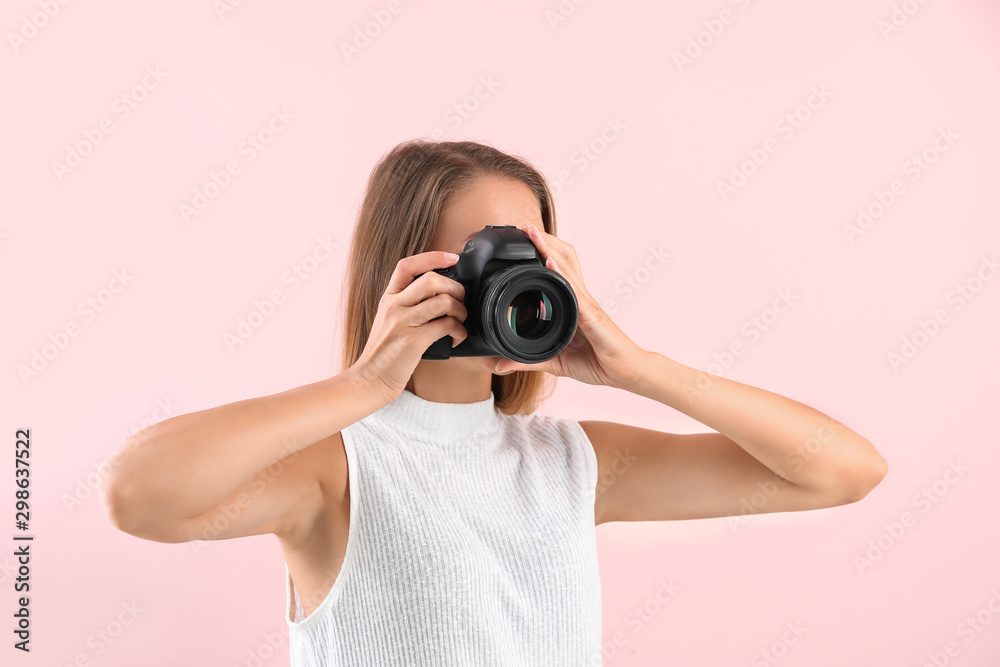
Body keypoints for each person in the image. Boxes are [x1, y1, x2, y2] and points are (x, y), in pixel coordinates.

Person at [99, 139, 888, 666]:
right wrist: (364, 385)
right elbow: (138, 494)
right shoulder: (334, 468)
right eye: (481, 253)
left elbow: (843, 471)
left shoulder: (573, 464)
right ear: (407, 267)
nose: (509, 273)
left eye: (531, 250)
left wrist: (640, 367)